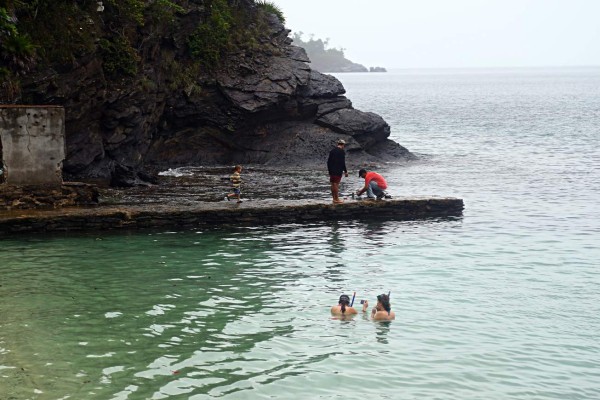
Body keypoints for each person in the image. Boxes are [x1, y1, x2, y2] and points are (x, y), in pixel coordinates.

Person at [327, 139, 349, 204]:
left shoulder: (332, 151)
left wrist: (329, 170)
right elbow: (342, 162)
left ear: (338, 144)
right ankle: (337, 199)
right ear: (343, 145)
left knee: (332, 184)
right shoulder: (342, 152)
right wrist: (345, 171)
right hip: (338, 170)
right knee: (336, 184)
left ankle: (334, 198)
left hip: (332, 170)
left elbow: (328, 162)